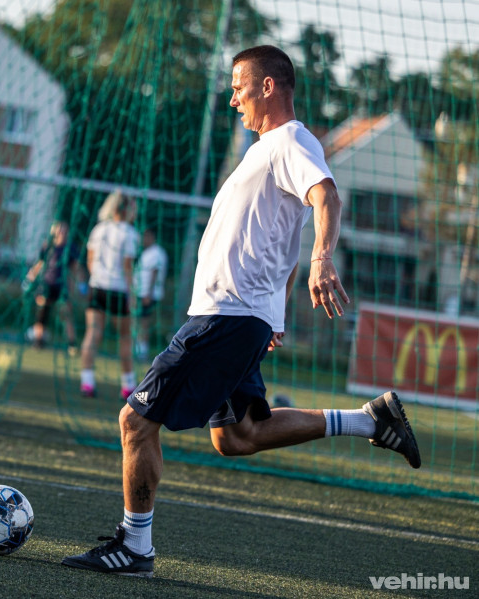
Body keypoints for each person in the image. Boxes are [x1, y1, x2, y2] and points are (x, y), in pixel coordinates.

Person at [62, 45, 421, 578]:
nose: (233, 97)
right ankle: (369, 421)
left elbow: (328, 197)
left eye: (239, 85)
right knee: (238, 435)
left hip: (225, 316)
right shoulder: (263, 152)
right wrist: (275, 311)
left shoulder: (290, 140)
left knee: (135, 421)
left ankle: (135, 546)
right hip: (241, 314)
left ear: (269, 86)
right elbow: (283, 240)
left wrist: (323, 259)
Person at [79, 190, 140, 400]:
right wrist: (132, 295)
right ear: (127, 209)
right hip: (119, 290)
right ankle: (128, 386)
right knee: (124, 338)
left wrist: (96, 278)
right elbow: (127, 267)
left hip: (97, 287)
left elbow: (90, 260)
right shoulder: (130, 233)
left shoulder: (99, 229)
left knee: (92, 334)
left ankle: (87, 383)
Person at [23, 221, 82, 353]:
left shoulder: (70, 248)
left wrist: (78, 285)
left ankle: (72, 344)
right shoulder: (48, 246)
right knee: (42, 313)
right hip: (47, 284)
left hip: (62, 286)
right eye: (59, 229)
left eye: (64, 229)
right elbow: (39, 264)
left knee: (66, 314)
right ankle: (38, 341)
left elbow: (75, 269)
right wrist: (30, 278)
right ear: (54, 231)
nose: (61, 232)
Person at [133, 228, 168, 361]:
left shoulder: (157, 253)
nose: (143, 240)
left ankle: (142, 351)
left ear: (152, 237)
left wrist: (148, 293)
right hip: (141, 292)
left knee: (144, 322)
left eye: (145, 237)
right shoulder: (147, 252)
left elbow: (154, 273)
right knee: (138, 321)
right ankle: (138, 349)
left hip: (147, 294)